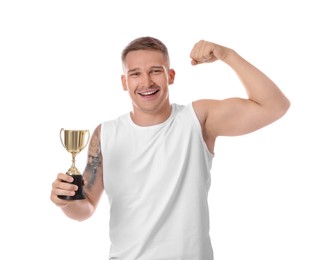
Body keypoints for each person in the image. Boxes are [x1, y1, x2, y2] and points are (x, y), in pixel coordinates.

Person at [50, 36, 290, 259]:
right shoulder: (106, 133)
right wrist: (66, 202)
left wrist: (228, 55)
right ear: (125, 82)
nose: (146, 82)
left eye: (156, 71)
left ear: (170, 76)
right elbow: (86, 207)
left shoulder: (197, 120)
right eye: (135, 74)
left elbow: (274, 106)